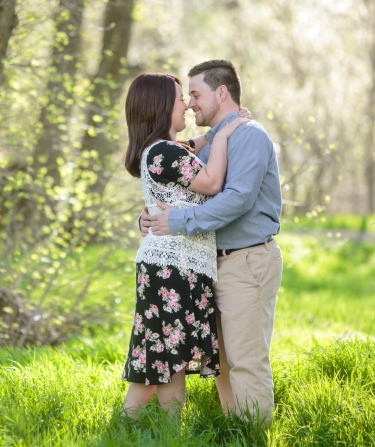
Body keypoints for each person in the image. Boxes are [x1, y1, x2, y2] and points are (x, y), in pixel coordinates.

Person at [142, 60, 283, 425]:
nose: (189, 103)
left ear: (222, 93)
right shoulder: (206, 145)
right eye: (186, 96)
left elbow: (235, 200)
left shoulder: (249, 136)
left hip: (245, 261)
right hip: (208, 265)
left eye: (196, 93)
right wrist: (148, 218)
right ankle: (235, 431)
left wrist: (176, 221)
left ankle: (253, 438)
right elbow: (179, 190)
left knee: (245, 359)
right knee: (222, 360)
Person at [121, 72, 249, 417]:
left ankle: (161, 432)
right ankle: (137, 428)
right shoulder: (162, 150)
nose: (187, 105)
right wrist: (224, 135)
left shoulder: (166, 149)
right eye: (180, 99)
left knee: (168, 354)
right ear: (162, 107)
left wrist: (211, 134)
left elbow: (191, 147)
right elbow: (209, 183)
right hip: (171, 268)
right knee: (162, 356)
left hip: (179, 265)